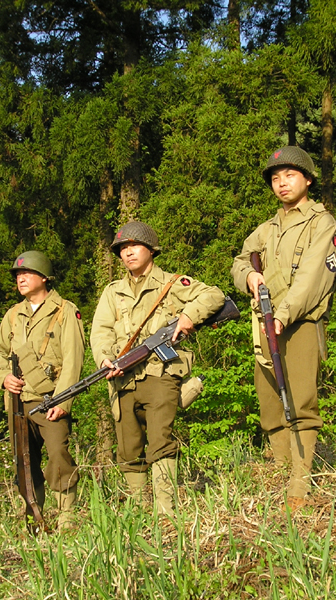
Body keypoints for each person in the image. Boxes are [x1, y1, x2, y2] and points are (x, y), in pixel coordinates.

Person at [231, 146, 336, 511]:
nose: (282, 184)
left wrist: (283, 314)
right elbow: (239, 261)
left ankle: (299, 485)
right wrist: (249, 276)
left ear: (307, 179)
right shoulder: (266, 229)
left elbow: (313, 277)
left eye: (290, 176)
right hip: (264, 322)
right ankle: (279, 472)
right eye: (276, 178)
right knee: (269, 402)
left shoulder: (322, 223)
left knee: (300, 403)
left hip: (300, 322)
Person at [91, 221, 225, 518]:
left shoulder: (172, 283)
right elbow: (100, 331)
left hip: (161, 372)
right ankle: (139, 513)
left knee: (161, 440)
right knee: (128, 448)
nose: (128, 253)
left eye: (134, 246)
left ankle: (165, 513)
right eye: (123, 249)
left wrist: (189, 316)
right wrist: (104, 359)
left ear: (151, 250)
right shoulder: (113, 292)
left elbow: (214, 295)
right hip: (123, 377)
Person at [0, 251, 84, 528]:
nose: (21, 278)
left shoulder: (64, 310)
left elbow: (73, 359)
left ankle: (67, 517)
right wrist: (4, 377)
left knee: (59, 456)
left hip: (51, 399)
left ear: (44, 277)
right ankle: (33, 517)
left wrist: (63, 401)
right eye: (18, 275)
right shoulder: (13, 315)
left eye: (27, 273)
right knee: (24, 461)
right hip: (18, 402)